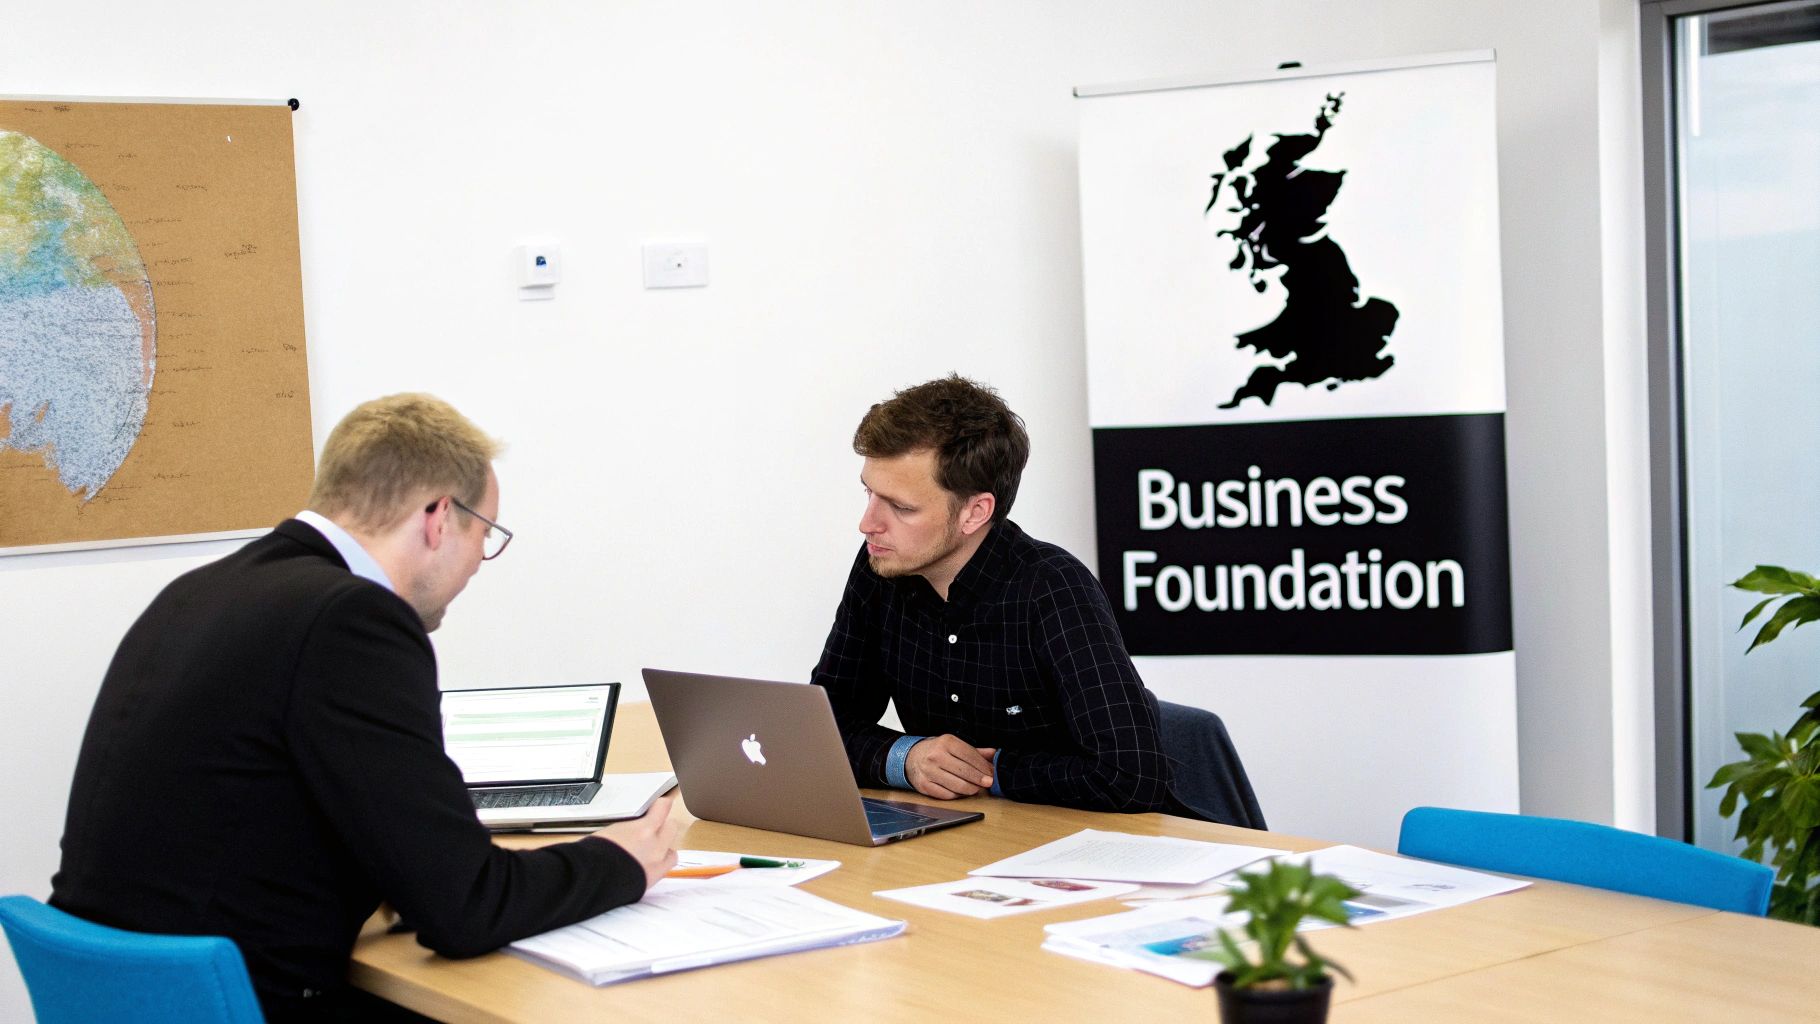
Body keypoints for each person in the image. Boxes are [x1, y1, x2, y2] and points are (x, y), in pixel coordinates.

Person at [51, 393, 680, 1022]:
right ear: (439, 516)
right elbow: (463, 911)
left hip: (132, 994)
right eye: (484, 535)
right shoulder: (352, 619)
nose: (476, 567)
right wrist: (619, 860)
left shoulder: (201, 592)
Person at [811, 375, 1173, 813]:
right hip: (970, 844)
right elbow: (822, 727)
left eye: (901, 507)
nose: (868, 523)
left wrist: (994, 772)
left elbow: (1133, 776)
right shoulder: (881, 567)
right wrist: (906, 760)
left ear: (975, 512)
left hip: (1092, 852)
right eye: (869, 493)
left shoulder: (1052, 588)